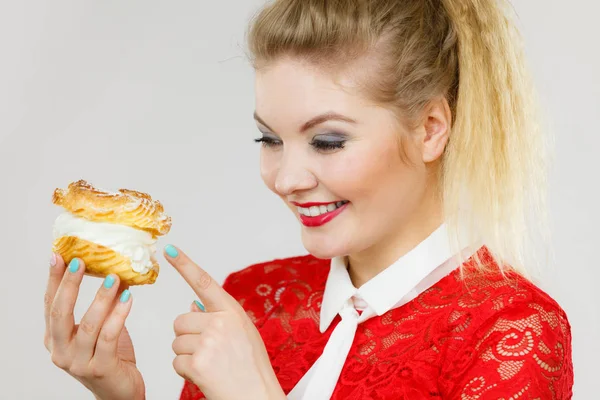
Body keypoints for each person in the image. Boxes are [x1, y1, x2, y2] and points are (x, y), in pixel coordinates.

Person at [43, 0, 574, 399]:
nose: (286, 178)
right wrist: (120, 395)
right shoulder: (254, 298)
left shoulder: (511, 331)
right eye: (270, 139)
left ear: (431, 128)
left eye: (327, 141)